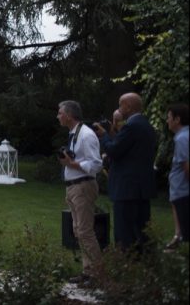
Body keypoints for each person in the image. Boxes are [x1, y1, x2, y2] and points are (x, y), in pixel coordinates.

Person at [93, 92, 156, 252]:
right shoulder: (146, 125)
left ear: (128, 106)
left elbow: (114, 150)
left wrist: (104, 136)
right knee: (141, 229)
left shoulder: (132, 126)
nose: (119, 108)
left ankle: (127, 264)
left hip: (127, 187)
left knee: (125, 231)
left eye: (120, 105)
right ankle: (145, 264)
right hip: (141, 187)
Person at [56, 100, 103, 284]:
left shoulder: (86, 135)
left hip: (83, 186)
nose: (58, 116)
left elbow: (96, 164)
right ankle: (88, 271)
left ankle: (98, 274)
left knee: (84, 231)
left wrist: (72, 164)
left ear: (68, 115)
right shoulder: (74, 134)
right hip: (74, 186)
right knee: (78, 230)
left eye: (60, 113)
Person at [165, 103, 189, 248]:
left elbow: (187, 166)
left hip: (183, 193)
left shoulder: (182, 138)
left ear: (177, 119)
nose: (167, 120)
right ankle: (177, 237)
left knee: (187, 235)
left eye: (169, 117)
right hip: (180, 192)